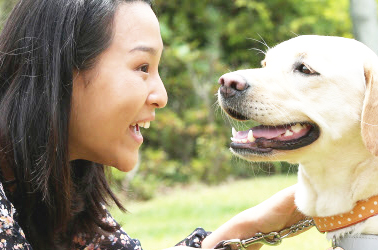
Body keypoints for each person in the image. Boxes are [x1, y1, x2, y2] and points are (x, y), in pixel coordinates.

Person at [0, 0, 308, 249]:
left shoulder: (62, 189)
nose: (161, 96)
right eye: (142, 67)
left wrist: (254, 224)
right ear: (62, 70)